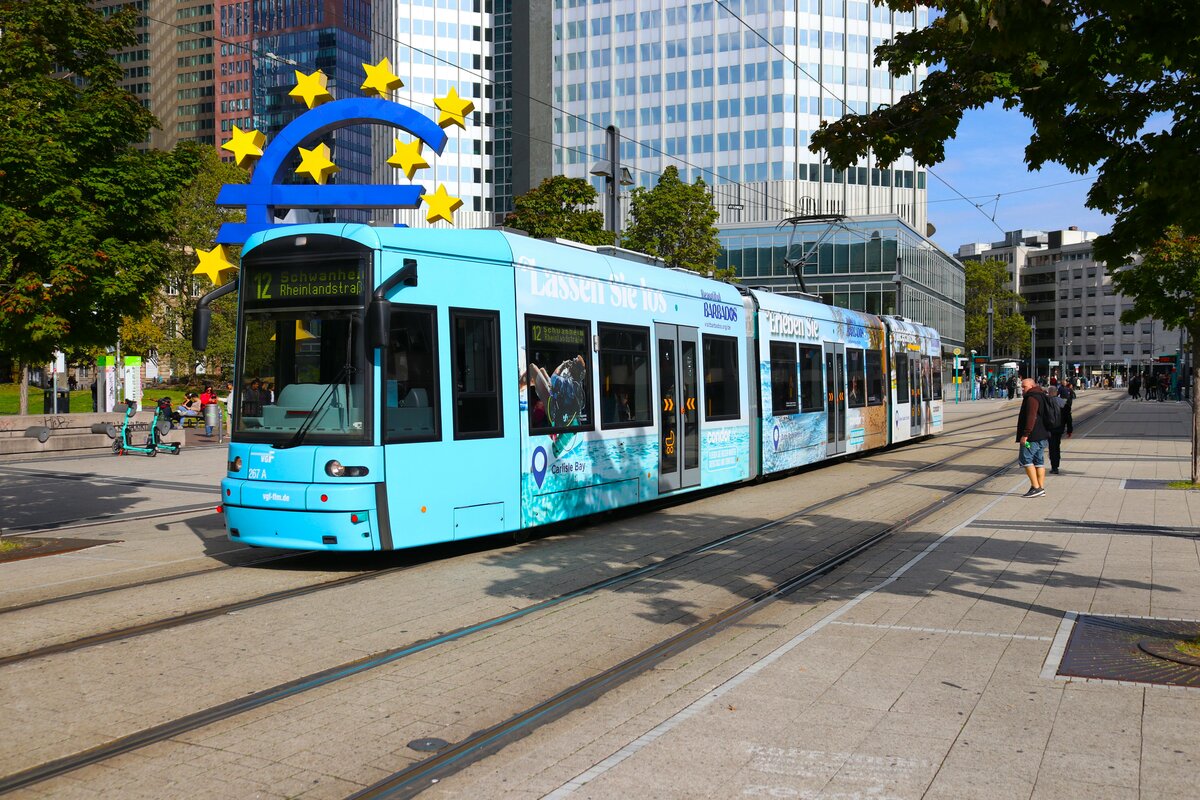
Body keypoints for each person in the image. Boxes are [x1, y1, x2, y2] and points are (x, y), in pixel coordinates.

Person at [1015, 376, 1051, 498]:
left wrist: (1025, 434)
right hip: (1042, 434)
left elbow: (1031, 416)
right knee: (1039, 461)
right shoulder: (1042, 395)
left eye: (1024, 387)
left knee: (1026, 459)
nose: (1022, 389)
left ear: (1031, 386)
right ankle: (1040, 488)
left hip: (1032, 436)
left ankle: (1036, 487)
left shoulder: (1032, 398)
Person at [528, 355, 587, 427]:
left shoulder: (568, 383)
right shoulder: (577, 383)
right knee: (542, 370)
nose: (571, 362)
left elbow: (554, 378)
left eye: (573, 362)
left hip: (553, 410)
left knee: (532, 367)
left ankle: (519, 386)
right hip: (559, 407)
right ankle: (533, 384)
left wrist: (563, 364)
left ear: (575, 369)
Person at [1045, 385, 1073, 475]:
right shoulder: (1063, 402)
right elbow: (1068, 417)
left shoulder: (1045, 402)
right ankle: (1056, 465)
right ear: (1057, 393)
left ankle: (1054, 467)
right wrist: (1069, 430)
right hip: (1060, 428)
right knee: (1057, 447)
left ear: (1049, 393)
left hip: (1049, 429)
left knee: (1052, 447)